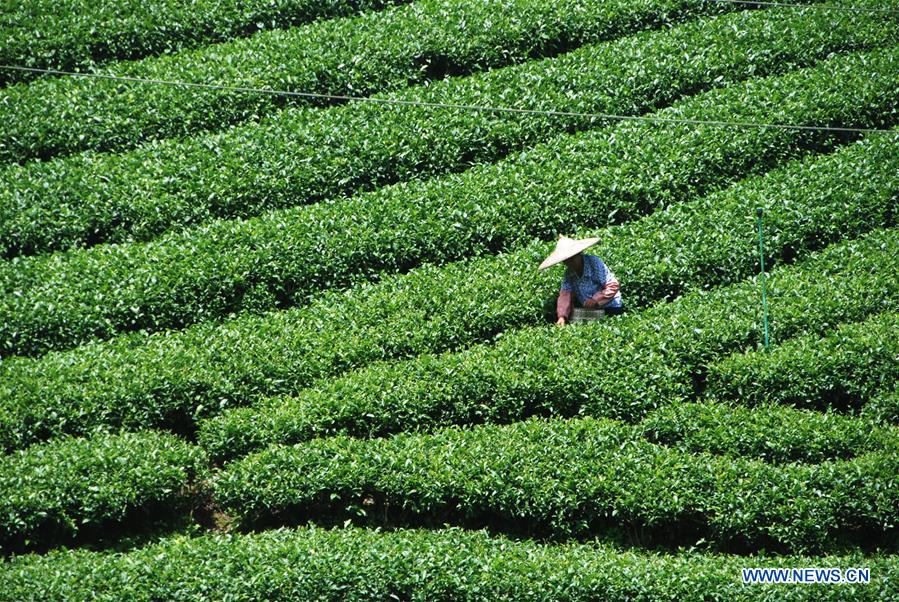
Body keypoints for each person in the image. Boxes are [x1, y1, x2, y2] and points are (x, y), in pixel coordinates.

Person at [538, 235, 623, 326]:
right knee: (571, 318)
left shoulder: (594, 262)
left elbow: (613, 285)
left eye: (572, 259)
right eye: (566, 261)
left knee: (576, 319)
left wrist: (595, 300)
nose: (570, 263)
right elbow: (565, 294)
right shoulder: (569, 273)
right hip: (591, 310)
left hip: (611, 307)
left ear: (579, 254)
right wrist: (562, 316)